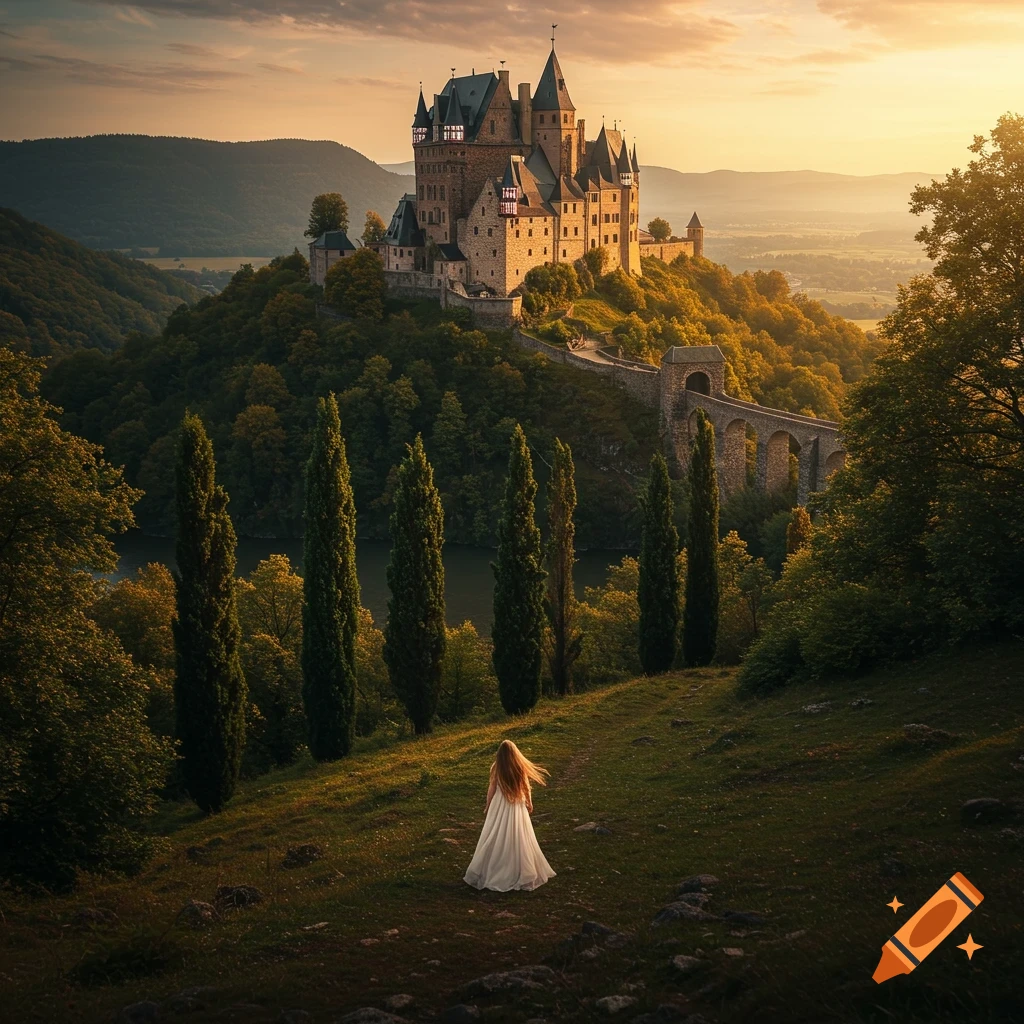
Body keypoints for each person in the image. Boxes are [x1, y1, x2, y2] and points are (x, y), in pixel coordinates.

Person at [463, 739, 556, 892]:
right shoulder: (519, 767)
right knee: (517, 834)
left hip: (499, 805)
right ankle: (519, 868)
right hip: (516, 805)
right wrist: (530, 803)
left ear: (499, 755)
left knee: (495, 833)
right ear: (515, 753)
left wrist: (488, 805)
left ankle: (493, 866)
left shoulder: (496, 768)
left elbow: (491, 789)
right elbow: (526, 787)